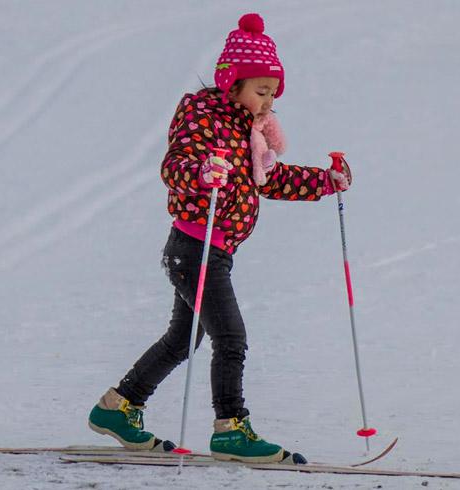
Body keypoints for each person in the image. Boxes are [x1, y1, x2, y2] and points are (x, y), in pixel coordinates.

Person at [88, 12, 351, 464]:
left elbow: (271, 180)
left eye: (273, 93)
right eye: (261, 92)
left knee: (183, 339)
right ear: (232, 85)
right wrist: (200, 174)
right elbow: (174, 167)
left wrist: (325, 182)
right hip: (194, 247)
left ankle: (118, 407)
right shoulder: (202, 117)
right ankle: (230, 428)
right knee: (230, 337)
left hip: (213, 250)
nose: (269, 102)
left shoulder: (249, 132)